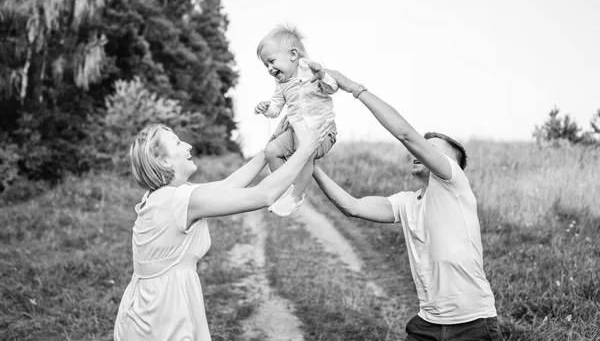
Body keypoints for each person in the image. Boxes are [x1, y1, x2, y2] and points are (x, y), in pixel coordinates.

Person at [309, 69, 504, 341]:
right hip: (427, 324)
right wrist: (311, 165)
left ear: (450, 164)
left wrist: (354, 88)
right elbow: (351, 206)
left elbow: (406, 135)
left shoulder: (454, 184)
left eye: (429, 148)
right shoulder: (407, 202)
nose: (417, 150)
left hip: (472, 324)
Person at [114, 120, 331, 341]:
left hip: (149, 305)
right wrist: (305, 149)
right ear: (164, 161)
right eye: (178, 143)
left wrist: (267, 151)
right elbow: (264, 195)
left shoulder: (164, 195)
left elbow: (227, 186)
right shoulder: (178, 199)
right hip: (161, 314)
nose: (188, 145)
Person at [254, 24, 338, 217]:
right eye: (266, 65)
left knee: (305, 148)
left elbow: (332, 88)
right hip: (295, 131)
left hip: (322, 132)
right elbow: (276, 109)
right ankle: (284, 188)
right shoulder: (281, 85)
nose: (269, 68)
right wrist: (267, 108)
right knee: (271, 150)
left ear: (293, 54)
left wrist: (322, 76)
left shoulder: (313, 72)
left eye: (271, 61)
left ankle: (296, 196)